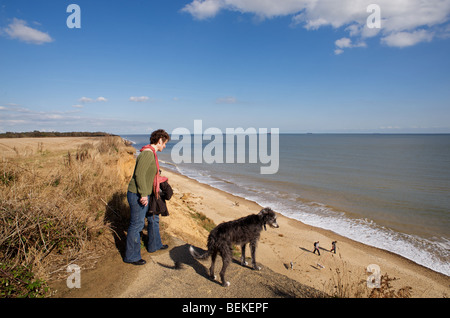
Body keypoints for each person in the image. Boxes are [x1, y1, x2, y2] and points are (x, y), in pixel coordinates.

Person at [124, 129, 170, 265]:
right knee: (137, 225)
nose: (165, 146)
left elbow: (148, 174)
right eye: (165, 143)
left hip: (148, 193)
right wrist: (143, 194)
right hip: (138, 194)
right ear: (160, 140)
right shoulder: (147, 154)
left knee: (153, 218)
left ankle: (154, 245)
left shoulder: (152, 153)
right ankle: (131, 257)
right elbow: (139, 174)